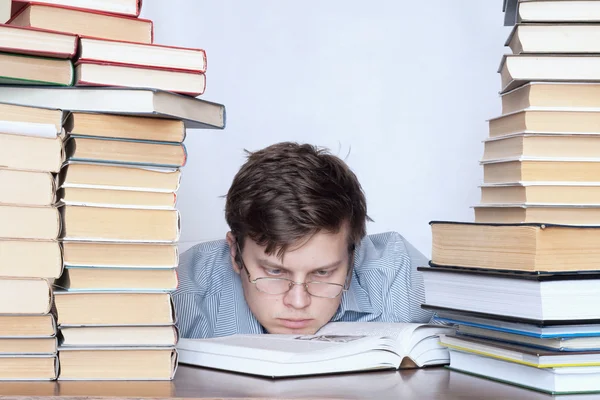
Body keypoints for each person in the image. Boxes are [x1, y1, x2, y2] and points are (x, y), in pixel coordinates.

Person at [174, 142, 433, 338]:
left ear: (353, 255)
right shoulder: (177, 291)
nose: (298, 303)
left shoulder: (402, 279)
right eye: (274, 271)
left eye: (323, 272)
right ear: (234, 252)